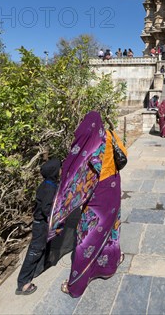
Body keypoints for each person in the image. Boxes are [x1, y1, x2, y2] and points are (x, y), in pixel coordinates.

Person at [47, 111, 127, 298]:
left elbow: (79, 177)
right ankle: (109, 266)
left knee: (87, 238)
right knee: (110, 228)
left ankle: (76, 285)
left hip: (98, 197)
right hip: (113, 189)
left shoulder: (91, 145)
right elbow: (124, 153)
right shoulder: (109, 135)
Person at [16, 158, 61, 295]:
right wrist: (56, 222)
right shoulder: (49, 188)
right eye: (59, 168)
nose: (61, 170)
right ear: (54, 171)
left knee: (42, 247)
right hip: (41, 224)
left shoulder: (49, 183)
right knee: (34, 251)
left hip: (42, 223)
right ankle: (22, 283)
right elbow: (46, 209)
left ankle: (39, 268)